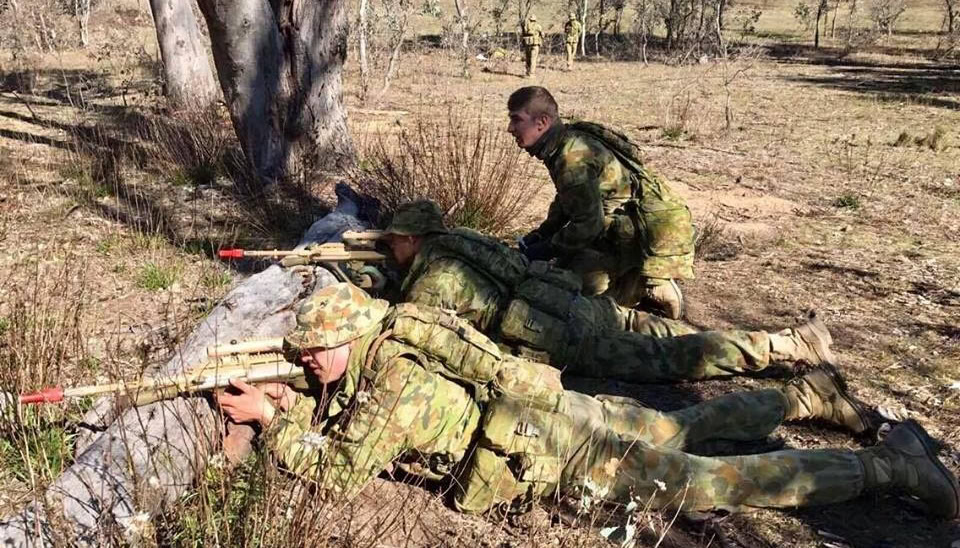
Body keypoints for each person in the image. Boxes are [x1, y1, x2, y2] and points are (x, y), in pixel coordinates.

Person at [217, 283, 959, 520]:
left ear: (351, 333)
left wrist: (274, 420)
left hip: (556, 449)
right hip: (558, 412)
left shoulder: (390, 380)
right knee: (682, 422)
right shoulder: (397, 337)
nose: (310, 360)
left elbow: (342, 472)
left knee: (705, 485)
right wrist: (306, 393)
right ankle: (805, 395)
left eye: (317, 350)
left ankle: (889, 470)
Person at [379, 199, 839, 386]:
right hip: (575, 302)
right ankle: (770, 341)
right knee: (658, 330)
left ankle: (786, 345)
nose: (391, 245)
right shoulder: (462, 237)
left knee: (674, 358)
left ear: (412, 239)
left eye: (394, 240)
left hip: (561, 334)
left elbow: (412, 332)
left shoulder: (430, 281)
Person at [507, 86, 695, 319]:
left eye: (516, 120)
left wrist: (546, 248)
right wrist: (541, 234)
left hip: (629, 235)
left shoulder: (571, 156)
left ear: (542, 122)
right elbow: (570, 199)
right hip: (620, 228)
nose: (510, 128)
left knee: (569, 298)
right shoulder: (567, 141)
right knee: (560, 271)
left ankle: (642, 286)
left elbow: (588, 225)